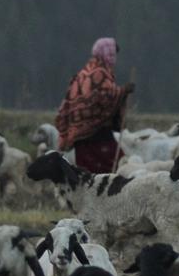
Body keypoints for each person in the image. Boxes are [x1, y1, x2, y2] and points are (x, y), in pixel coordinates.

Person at [55, 37, 135, 174]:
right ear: (105, 53)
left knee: (88, 172)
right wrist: (123, 92)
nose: (114, 57)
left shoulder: (85, 72)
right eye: (112, 53)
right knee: (116, 166)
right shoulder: (99, 73)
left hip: (82, 136)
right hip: (96, 134)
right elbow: (102, 97)